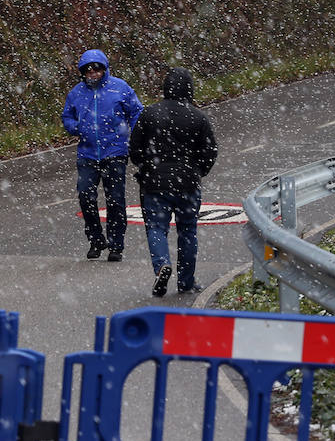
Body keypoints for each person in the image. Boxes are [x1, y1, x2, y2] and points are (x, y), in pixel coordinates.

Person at [128, 67, 218, 296]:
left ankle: (161, 265)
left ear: (166, 88)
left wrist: (146, 167)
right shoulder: (199, 117)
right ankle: (186, 281)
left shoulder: (150, 114)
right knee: (188, 231)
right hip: (188, 183)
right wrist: (198, 171)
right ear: (190, 89)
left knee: (156, 227)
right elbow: (210, 151)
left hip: (155, 182)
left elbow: (135, 148)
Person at [61, 49, 143, 261]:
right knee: (85, 197)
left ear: (105, 69)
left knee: (115, 199)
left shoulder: (120, 88)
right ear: (83, 72)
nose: (94, 73)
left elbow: (136, 111)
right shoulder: (76, 93)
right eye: (89, 70)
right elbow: (67, 116)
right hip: (87, 153)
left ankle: (116, 245)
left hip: (114, 151)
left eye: (97, 69)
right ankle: (96, 239)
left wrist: (134, 136)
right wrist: (76, 127)